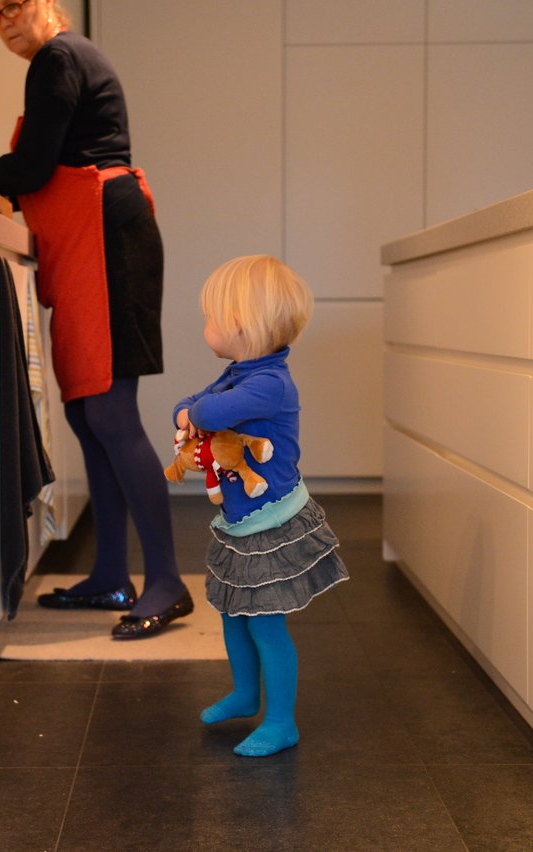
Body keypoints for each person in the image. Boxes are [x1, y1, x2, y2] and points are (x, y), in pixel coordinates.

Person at [0, 0, 189, 638]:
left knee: (109, 411)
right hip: (91, 242)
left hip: (108, 241)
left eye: (11, 6)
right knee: (85, 411)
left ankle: (166, 581)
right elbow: (40, 171)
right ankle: (109, 574)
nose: (6, 24)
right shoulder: (64, 61)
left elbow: (32, 169)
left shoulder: (60, 57)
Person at [173, 255, 349, 757]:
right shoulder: (238, 372)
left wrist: (192, 411)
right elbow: (189, 403)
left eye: (211, 318)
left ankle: (280, 721)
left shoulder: (268, 383)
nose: (205, 325)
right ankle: (246, 694)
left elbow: (204, 409)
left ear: (242, 326)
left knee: (266, 622)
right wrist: (189, 409)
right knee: (233, 613)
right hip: (243, 522)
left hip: (273, 524)